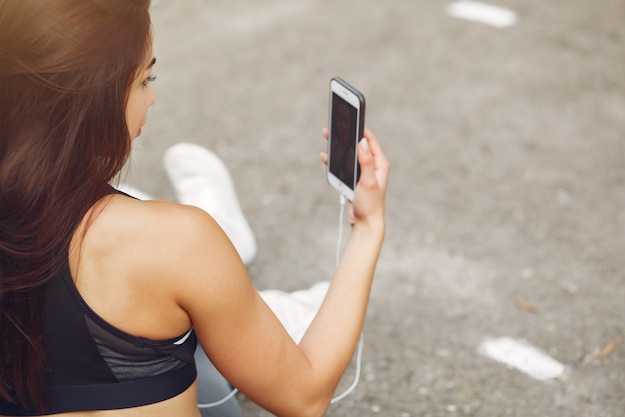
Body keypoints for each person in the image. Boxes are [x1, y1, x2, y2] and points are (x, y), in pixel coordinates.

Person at [0, 1, 389, 417]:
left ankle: (230, 269)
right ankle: (262, 301)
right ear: (90, 99)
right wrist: (368, 226)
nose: (151, 97)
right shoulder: (175, 242)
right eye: (143, 79)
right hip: (168, 263)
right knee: (180, 284)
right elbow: (305, 397)